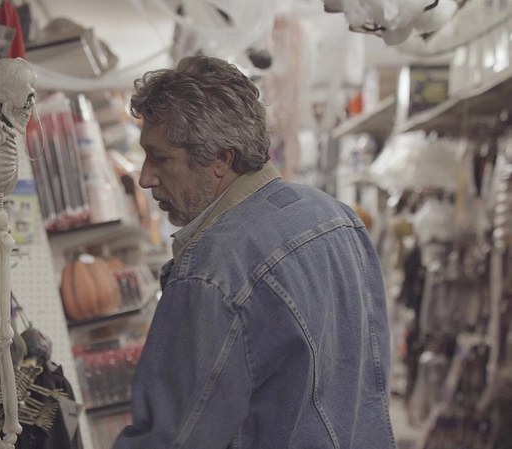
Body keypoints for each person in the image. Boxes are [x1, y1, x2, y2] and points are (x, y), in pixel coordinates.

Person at [111, 55, 396, 449]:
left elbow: (172, 439)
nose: (145, 178)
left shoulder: (213, 270)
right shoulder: (337, 217)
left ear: (221, 159)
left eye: (160, 158)